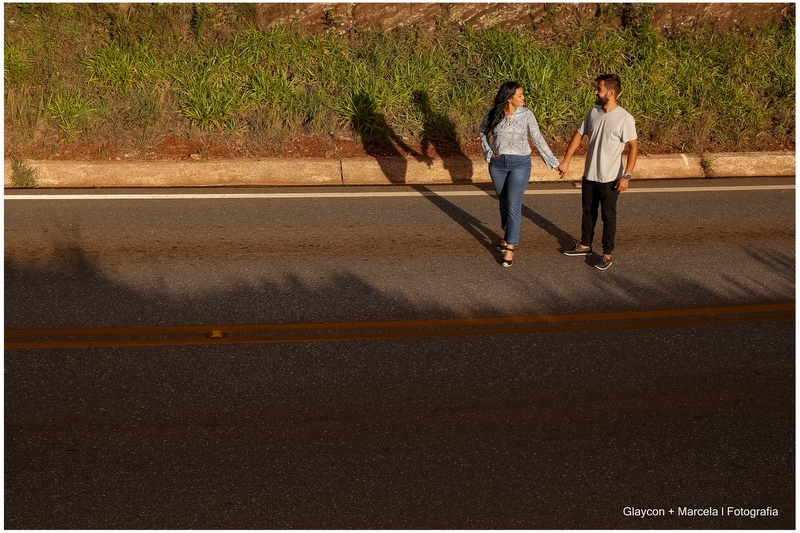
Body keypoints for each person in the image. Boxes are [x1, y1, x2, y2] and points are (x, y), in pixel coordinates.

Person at [557, 73, 638, 270]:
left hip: (611, 178)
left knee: (608, 217)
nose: (595, 92)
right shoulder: (593, 112)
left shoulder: (624, 118)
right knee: (588, 211)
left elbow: (633, 147)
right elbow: (578, 135)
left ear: (610, 93)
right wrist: (566, 160)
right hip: (590, 174)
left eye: (599, 89)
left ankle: (607, 254)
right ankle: (585, 244)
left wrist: (626, 176)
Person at [479, 81, 560, 267]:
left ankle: (510, 246)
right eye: (520, 95)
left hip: (520, 164)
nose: (523, 98)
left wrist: (553, 161)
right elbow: (482, 131)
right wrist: (488, 151)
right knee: (503, 203)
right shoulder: (493, 113)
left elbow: (537, 138)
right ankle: (508, 234)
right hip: (498, 164)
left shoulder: (527, 114)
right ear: (509, 98)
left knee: (514, 204)